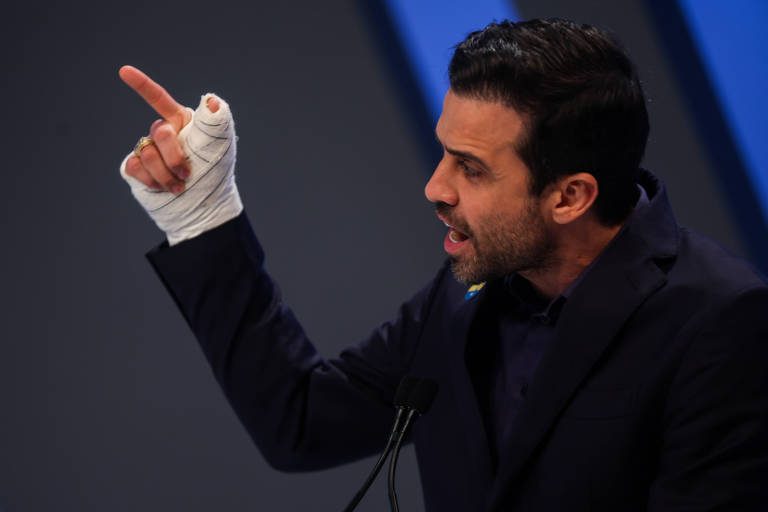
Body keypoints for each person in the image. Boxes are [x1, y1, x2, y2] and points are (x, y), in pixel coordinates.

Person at [119, 18, 768, 512]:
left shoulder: (722, 321)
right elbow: (302, 424)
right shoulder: (471, 292)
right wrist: (202, 216)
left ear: (570, 196)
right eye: (444, 154)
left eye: (471, 168)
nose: (435, 188)